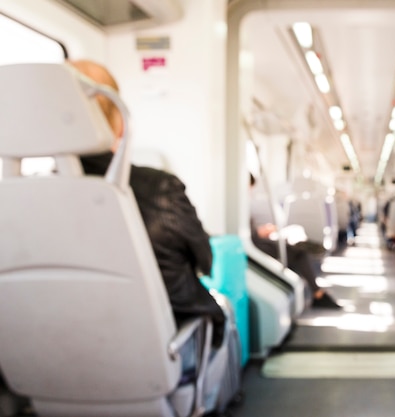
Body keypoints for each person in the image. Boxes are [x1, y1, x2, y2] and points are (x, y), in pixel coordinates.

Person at [70, 60, 227, 411]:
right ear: (119, 123)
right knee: (221, 315)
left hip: (50, 359)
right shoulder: (160, 188)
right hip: (157, 355)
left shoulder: (21, 201)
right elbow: (204, 261)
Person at [249, 174, 341, 309]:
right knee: (298, 253)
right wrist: (261, 232)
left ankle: (316, 290)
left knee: (294, 247)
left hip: (256, 240)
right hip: (254, 244)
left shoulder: (244, 202)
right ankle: (317, 292)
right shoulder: (240, 202)